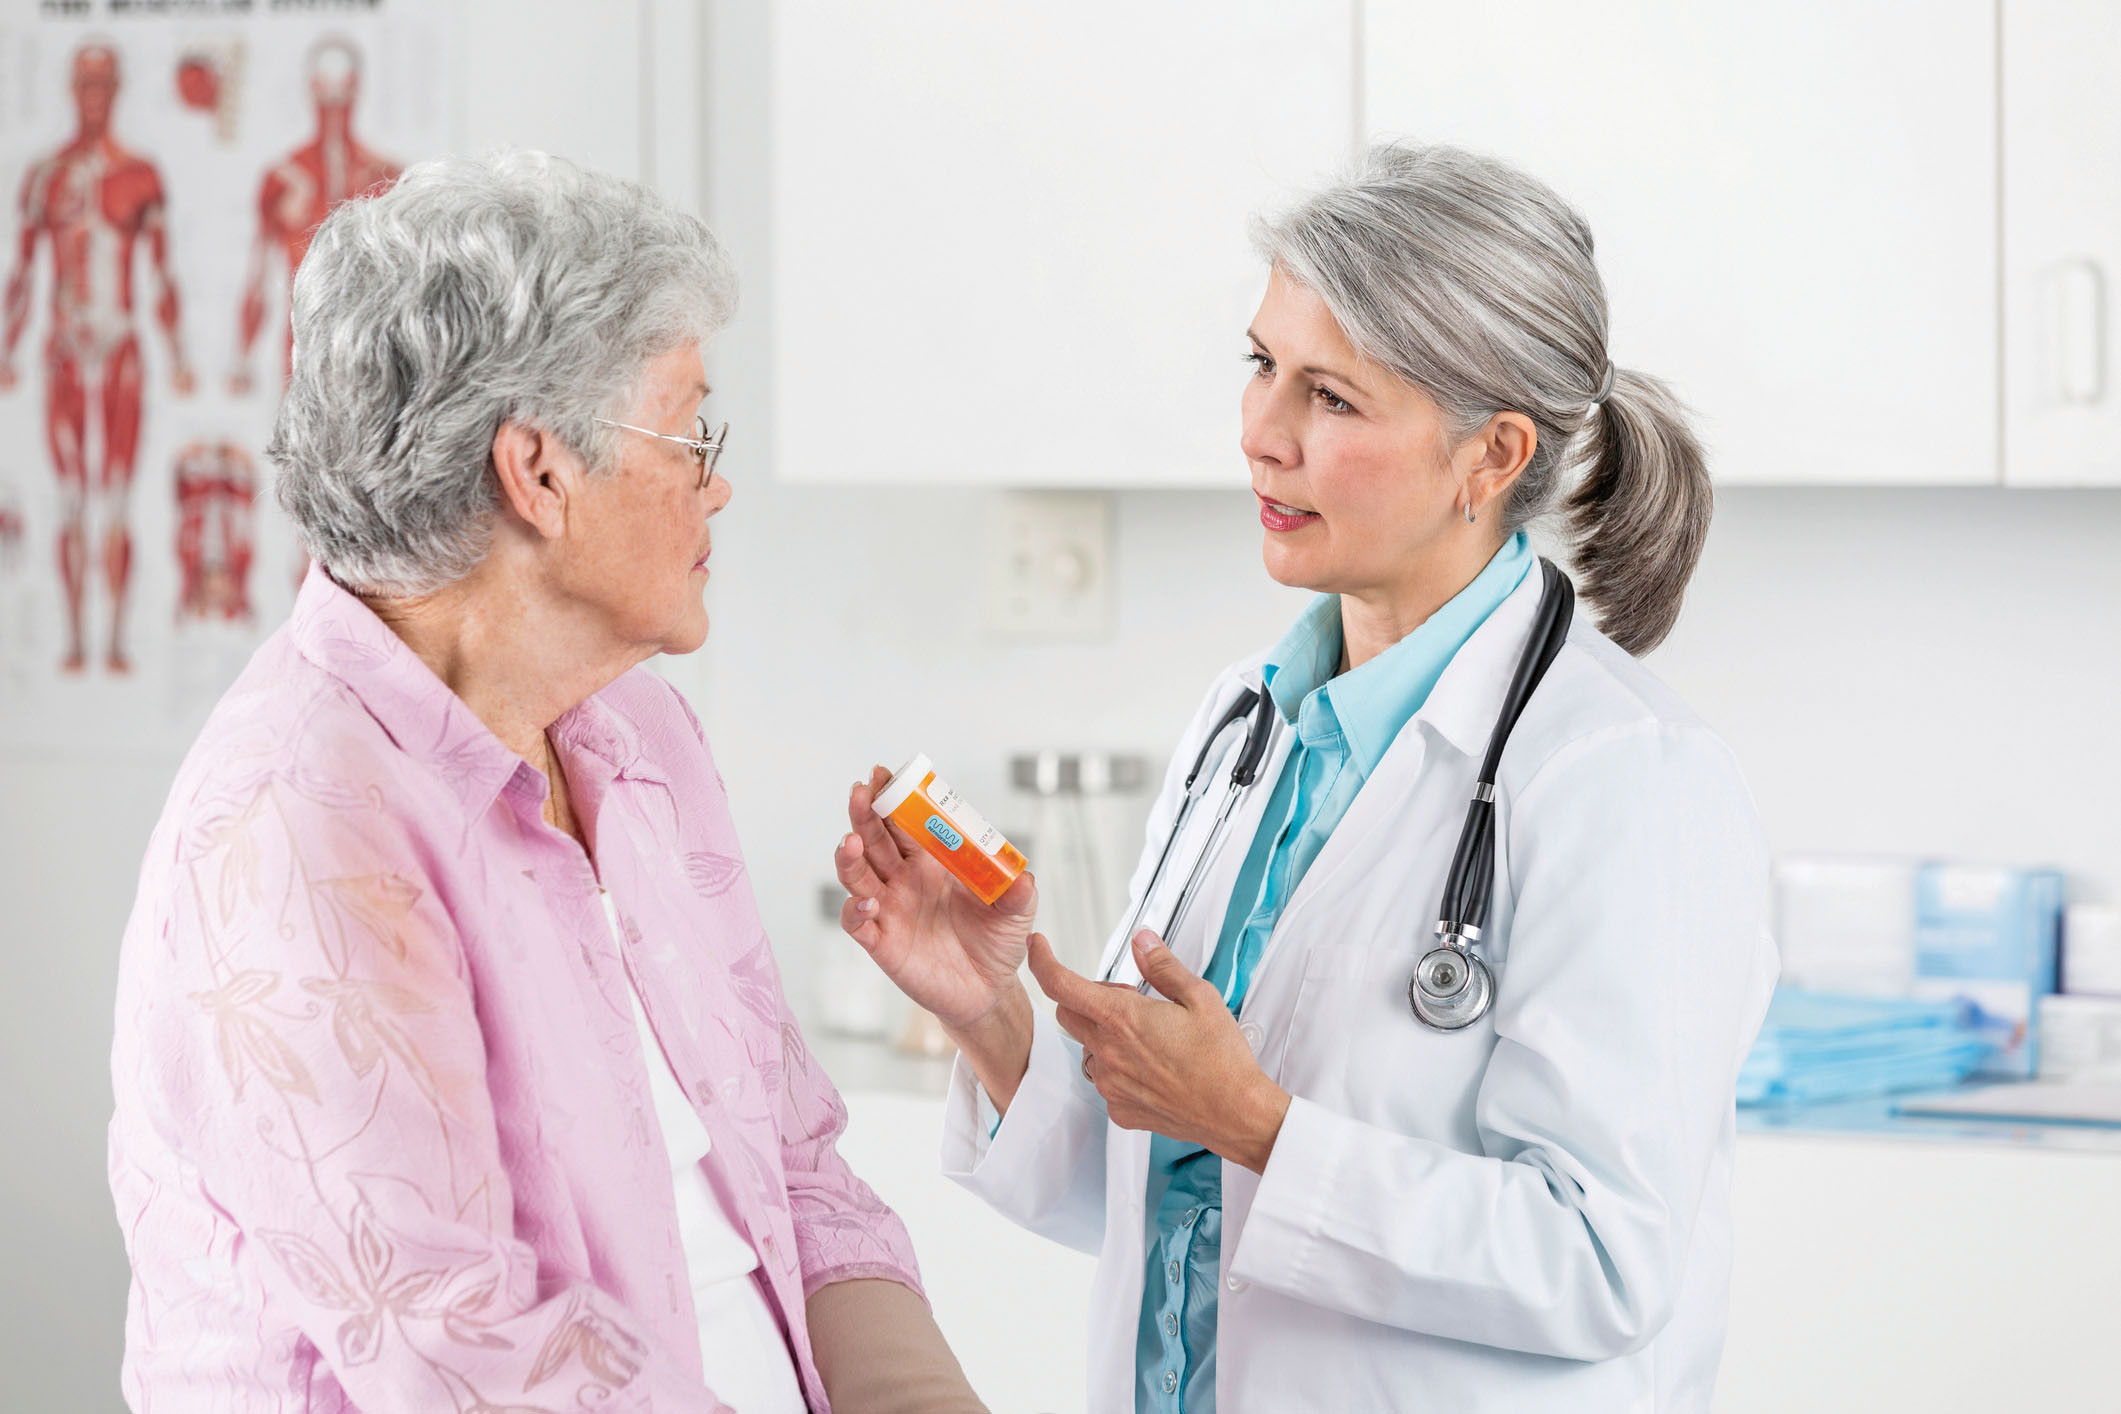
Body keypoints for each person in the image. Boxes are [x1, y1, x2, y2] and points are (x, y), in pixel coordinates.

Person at [835, 142, 1777, 1412]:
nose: (1260, 437)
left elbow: (1603, 1262)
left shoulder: (1627, 780)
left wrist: (1261, 1128)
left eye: (1330, 398)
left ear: (1490, 457)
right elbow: (1169, 1202)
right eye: (1262, 366)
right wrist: (989, 1015)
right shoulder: (1246, 725)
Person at [110, 151, 983, 1413]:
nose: (716, 479)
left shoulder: (641, 737)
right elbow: (467, 1351)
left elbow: (794, 1170)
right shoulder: (295, 825)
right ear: (540, 472)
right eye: (690, 430)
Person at [0, 41, 195, 674]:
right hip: (62, 349)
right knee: (69, 498)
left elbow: (163, 274)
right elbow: (23, 273)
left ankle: (111, 640)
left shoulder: (141, 174)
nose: (94, 96)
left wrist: (180, 354)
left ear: (117, 89)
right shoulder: (45, 175)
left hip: (120, 351)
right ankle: (74, 640)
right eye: (85, 84)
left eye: (104, 84)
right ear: (70, 90)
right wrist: (7, 348)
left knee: (113, 495)